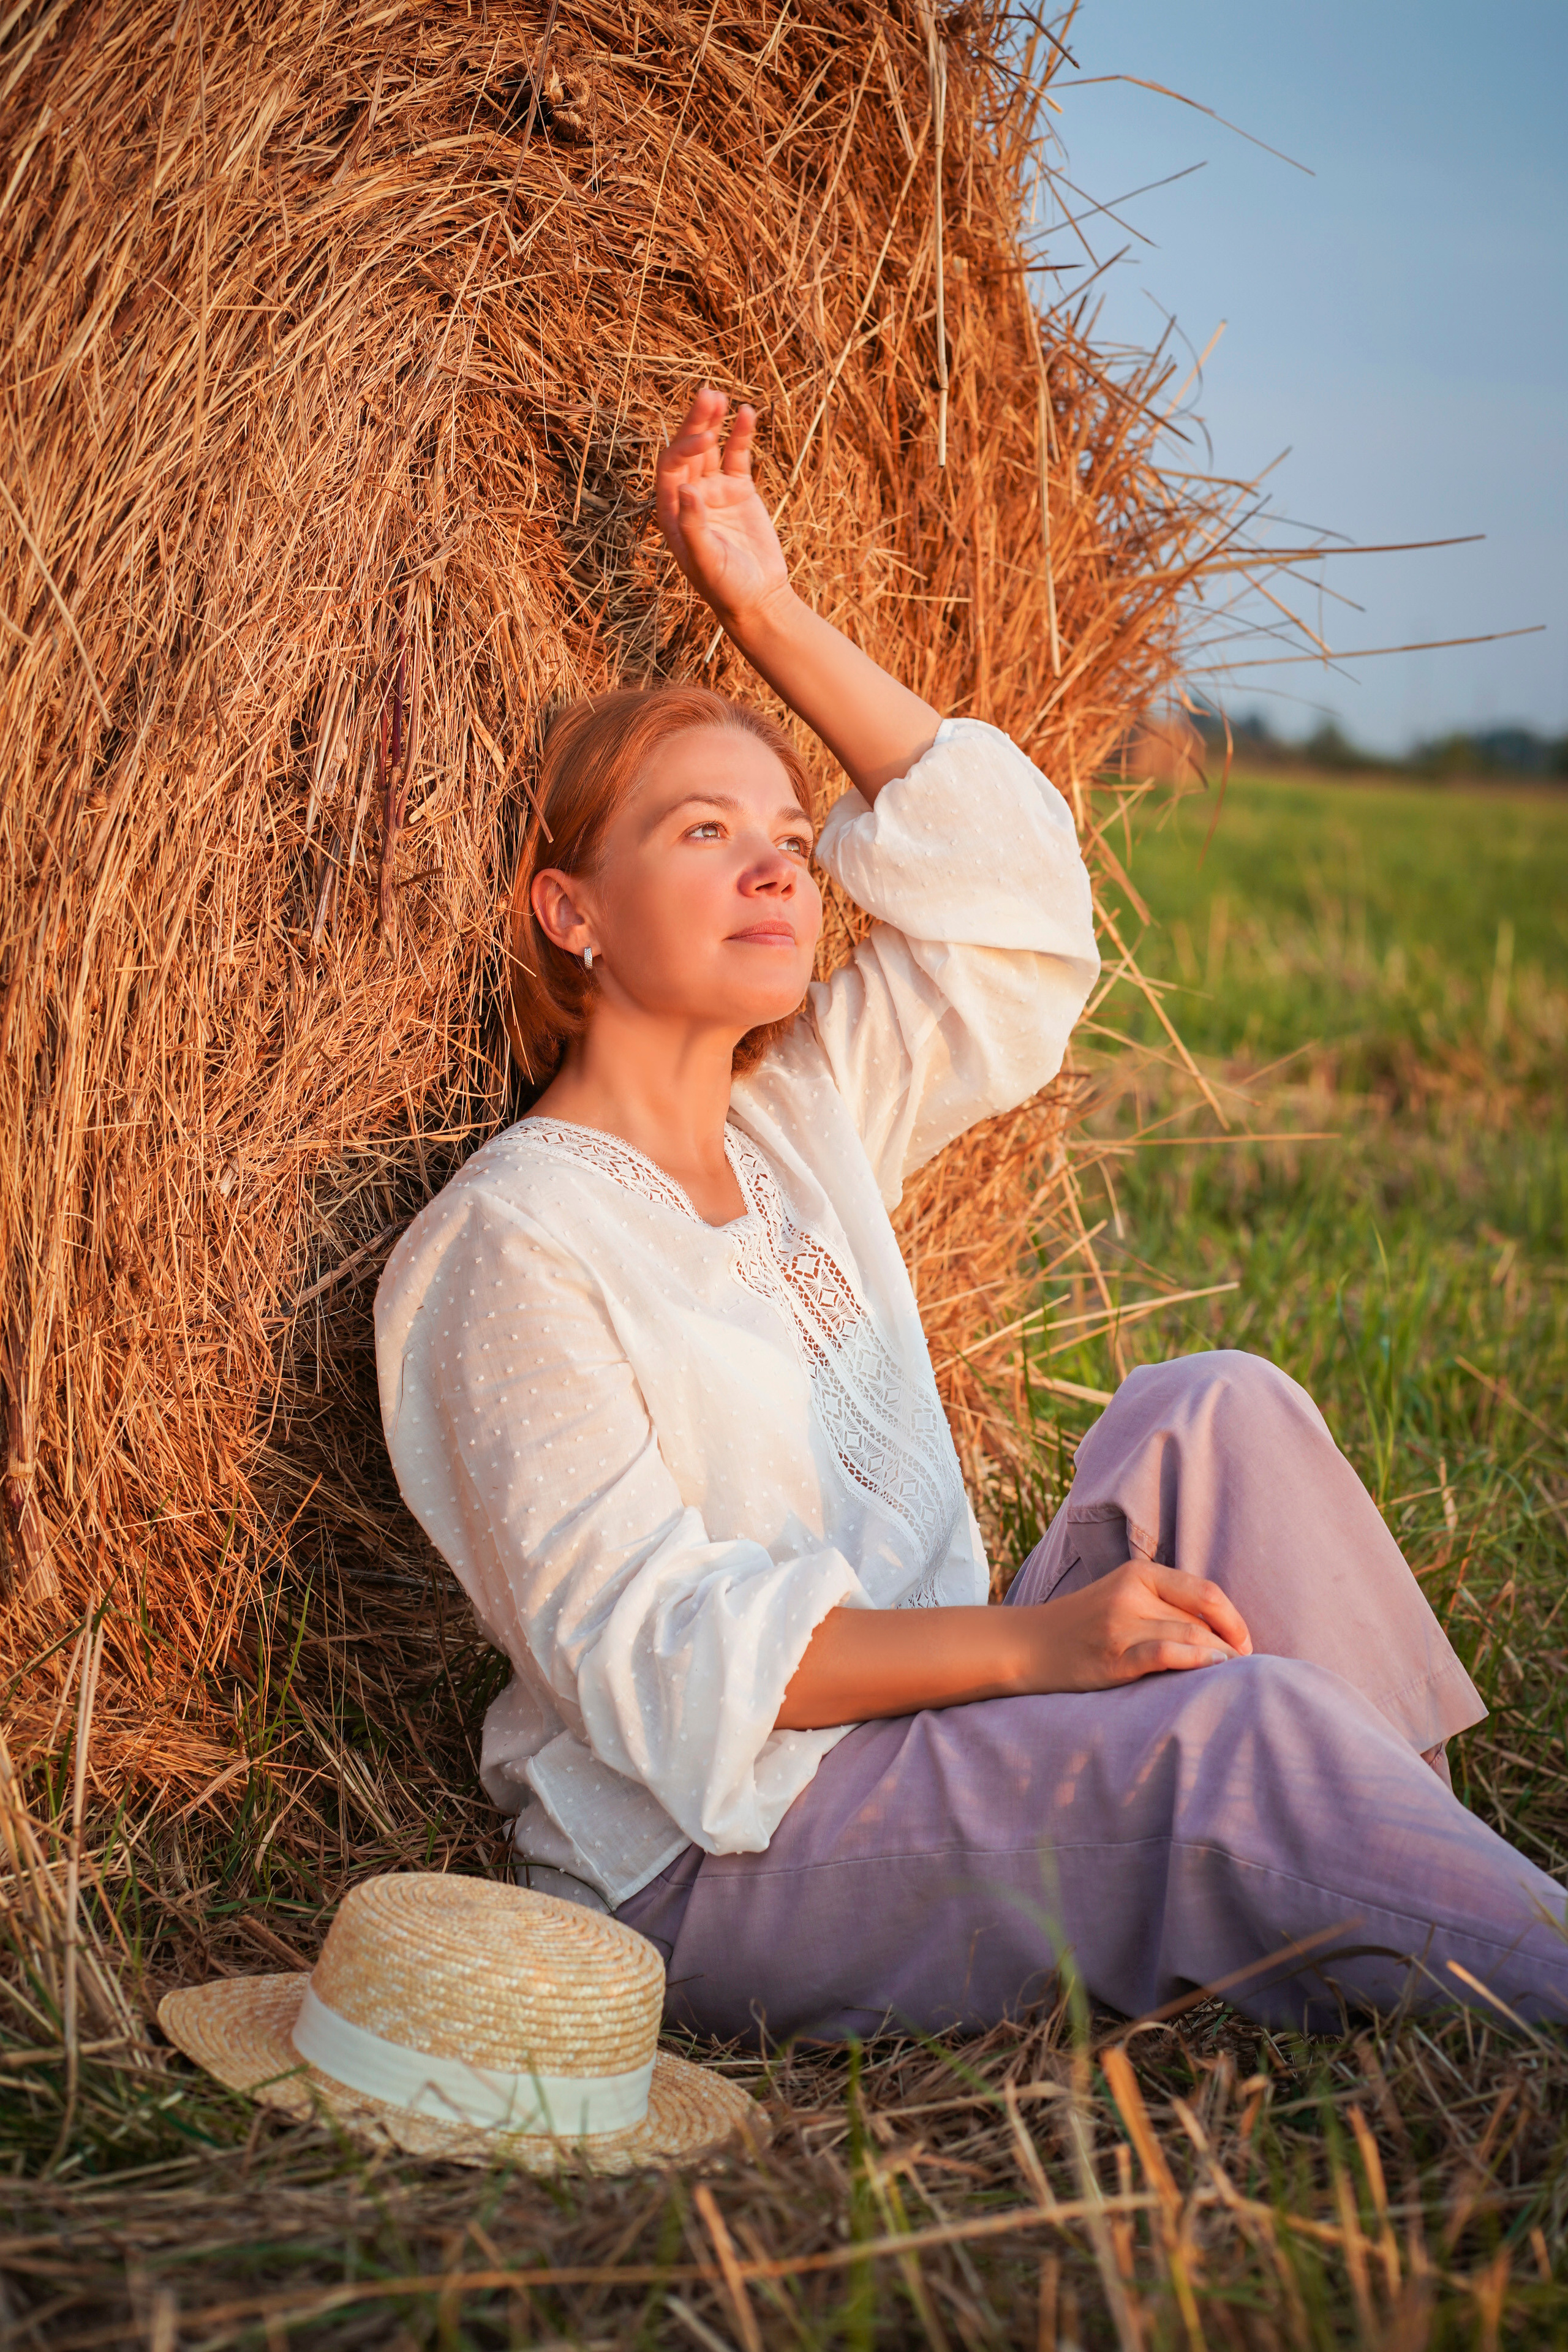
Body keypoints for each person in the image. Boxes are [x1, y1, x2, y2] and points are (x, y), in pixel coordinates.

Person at [375, 390, 1567, 2045]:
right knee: (1222, 1738)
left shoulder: (802, 1125)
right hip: (732, 1854)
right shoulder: (514, 1245)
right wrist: (1036, 1647)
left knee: (1218, 1408)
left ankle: (1408, 1902)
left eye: (793, 841)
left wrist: (764, 608)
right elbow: (660, 1666)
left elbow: (1015, 916)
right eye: (704, 834)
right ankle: (1451, 1926)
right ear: (567, 910)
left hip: (929, 1743)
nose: (783, 873)